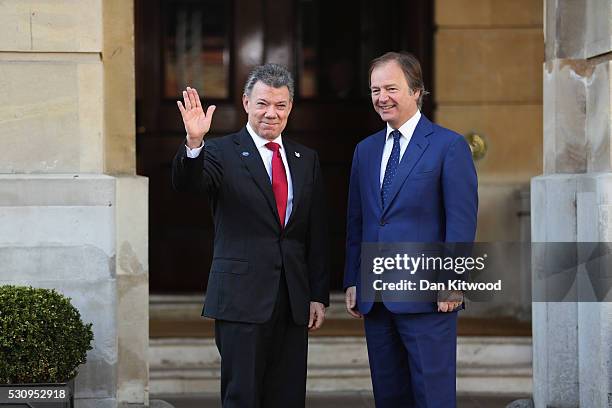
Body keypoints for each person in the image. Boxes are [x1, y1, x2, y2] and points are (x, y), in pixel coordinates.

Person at [172, 63, 329, 408]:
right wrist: (195, 142)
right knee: (242, 396)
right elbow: (188, 183)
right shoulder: (220, 152)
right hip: (240, 300)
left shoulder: (306, 159)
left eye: (280, 105)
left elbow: (314, 232)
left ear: (290, 107)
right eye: (262, 104)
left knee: (288, 396)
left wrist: (317, 294)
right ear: (245, 103)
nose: (271, 114)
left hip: (292, 299)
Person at [343, 52, 478, 407]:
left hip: (428, 297)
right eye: (375, 90)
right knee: (389, 397)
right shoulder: (365, 151)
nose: (381, 97)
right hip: (376, 297)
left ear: (417, 91)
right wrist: (354, 279)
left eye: (391, 88)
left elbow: (461, 222)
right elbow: (358, 221)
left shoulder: (449, 146)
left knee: (433, 397)